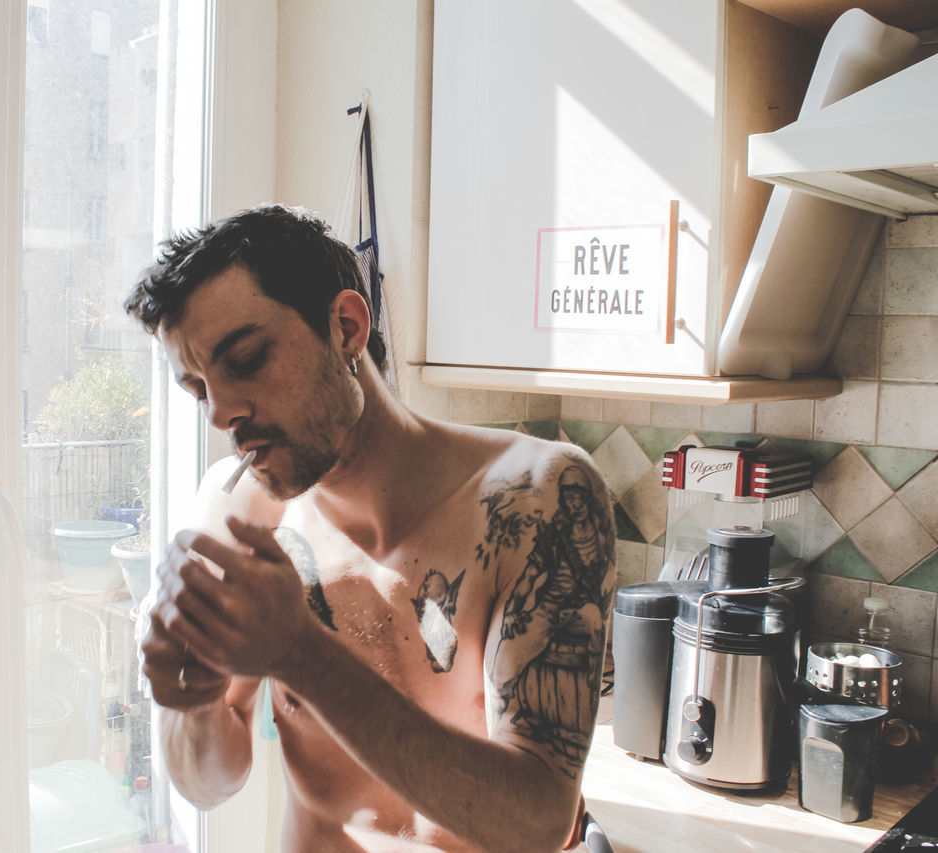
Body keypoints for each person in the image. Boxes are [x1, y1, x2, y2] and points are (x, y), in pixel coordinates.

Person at [125, 204, 616, 853]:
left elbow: (536, 823)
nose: (221, 412)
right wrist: (187, 699)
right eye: (198, 389)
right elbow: (211, 783)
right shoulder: (241, 516)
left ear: (347, 326)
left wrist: (301, 652)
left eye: (246, 358)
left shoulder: (536, 497)